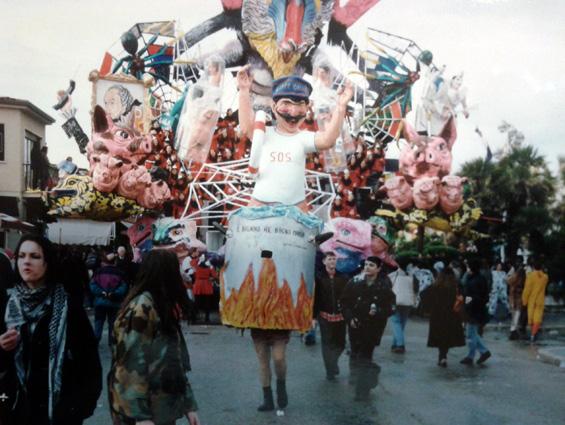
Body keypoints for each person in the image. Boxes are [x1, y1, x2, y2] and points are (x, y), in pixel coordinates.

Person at [0, 234, 102, 425]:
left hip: (59, 413)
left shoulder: (68, 307)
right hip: (14, 409)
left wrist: (79, 407)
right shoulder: (6, 305)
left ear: (48, 263)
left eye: (34, 256)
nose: (26, 262)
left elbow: (89, 362)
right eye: (21, 256)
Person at [236, 66, 353, 210]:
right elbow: (247, 127)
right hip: (260, 205)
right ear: (273, 107)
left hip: (295, 209)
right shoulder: (264, 134)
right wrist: (243, 90)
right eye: (286, 103)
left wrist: (341, 107)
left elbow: (327, 140)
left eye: (300, 105)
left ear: (307, 107)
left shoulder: (302, 139)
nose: (293, 112)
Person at [108, 250, 200, 425]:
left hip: (160, 409)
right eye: (176, 269)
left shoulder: (160, 305)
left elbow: (175, 362)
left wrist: (189, 405)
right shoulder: (143, 307)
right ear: (166, 273)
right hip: (143, 412)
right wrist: (140, 417)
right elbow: (130, 364)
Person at [341, 256, 395, 401]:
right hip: (355, 326)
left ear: (378, 268)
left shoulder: (384, 286)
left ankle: (361, 390)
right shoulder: (354, 282)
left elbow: (391, 307)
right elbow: (344, 303)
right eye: (366, 264)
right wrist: (350, 318)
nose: (367, 267)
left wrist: (378, 311)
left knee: (364, 356)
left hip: (373, 329)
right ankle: (366, 377)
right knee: (356, 354)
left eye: (371, 265)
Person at [313, 251, 348, 381]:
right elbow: (315, 298)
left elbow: (347, 297)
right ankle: (330, 371)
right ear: (324, 261)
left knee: (341, 344)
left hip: (340, 316)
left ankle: (333, 363)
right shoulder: (319, 278)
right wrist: (313, 317)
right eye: (330, 259)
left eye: (334, 259)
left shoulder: (343, 277)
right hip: (324, 315)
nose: (332, 261)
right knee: (327, 344)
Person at [422, 267, 465, 367]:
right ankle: (444, 356)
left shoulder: (436, 286)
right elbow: (464, 297)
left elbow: (423, 295)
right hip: (452, 316)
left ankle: (442, 356)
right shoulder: (456, 286)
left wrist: (429, 308)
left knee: (441, 337)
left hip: (438, 316)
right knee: (447, 337)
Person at [90, 252, 128, 346]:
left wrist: (101, 292)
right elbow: (123, 287)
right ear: (114, 261)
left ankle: (96, 341)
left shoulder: (98, 272)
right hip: (114, 303)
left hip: (100, 302)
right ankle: (111, 342)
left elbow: (92, 285)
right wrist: (114, 293)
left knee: (98, 323)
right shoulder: (119, 273)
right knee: (112, 323)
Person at [460, 259, 491, 365]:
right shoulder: (481, 278)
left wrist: (467, 307)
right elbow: (486, 294)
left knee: (470, 333)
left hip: (473, 311)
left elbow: (469, 297)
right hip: (480, 309)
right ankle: (476, 354)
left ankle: (478, 353)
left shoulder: (471, 281)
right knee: (472, 333)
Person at [388, 257, 417, 354]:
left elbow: (388, 287)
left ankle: (400, 345)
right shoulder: (412, 276)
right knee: (402, 323)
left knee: (395, 322)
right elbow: (416, 288)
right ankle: (394, 344)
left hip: (395, 301)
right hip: (408, 302)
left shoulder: (393, 275)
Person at [522, 260, 549, 342]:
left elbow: (527, 290)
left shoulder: (530, 276)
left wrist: (524, 301)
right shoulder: (545, 277)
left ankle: (532, 334)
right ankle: (533, 334)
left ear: (533, 267)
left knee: (531, 318)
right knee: (537, 318)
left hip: (532, 300)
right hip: (540, 300)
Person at [192, 254, 218, 323]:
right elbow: (215, 276)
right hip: (207, 284)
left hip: (198, 284)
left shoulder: (196, 266)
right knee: (207, 303)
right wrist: (211, 278)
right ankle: (207, 318)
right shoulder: (210, 267)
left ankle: (194, 318)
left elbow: (193, 273)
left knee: (197, 302)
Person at [507, 264, 526, 340]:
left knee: (515, 315)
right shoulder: (522, 278)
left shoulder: (514, 277)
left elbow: (508, 280)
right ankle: (513, 330)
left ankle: (513, 330)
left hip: (513, 298)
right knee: (517, 315)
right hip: (518, 299)